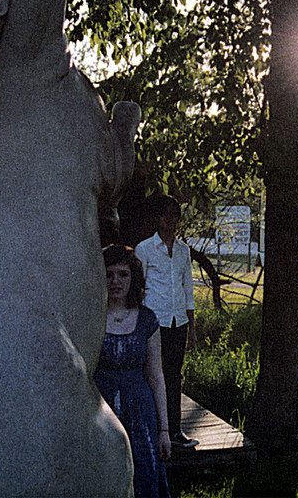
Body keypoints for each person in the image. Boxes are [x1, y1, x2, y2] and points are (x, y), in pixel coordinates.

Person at [94, 245, 171, 498]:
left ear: (133, 278)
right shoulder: (90, 318)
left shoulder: (147, 320)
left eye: (123, 274)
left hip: (140, 414)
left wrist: (164, 430)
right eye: (109, 274)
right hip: (101, 412)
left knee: (143, 475)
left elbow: (156, 377)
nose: (115, 281)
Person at [135, 196, 198, 449]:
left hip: (177, 321)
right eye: (165, 214)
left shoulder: (183, 251)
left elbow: (188, 289)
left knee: (174, 376)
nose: (170, 219)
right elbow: (139, 289)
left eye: (174, 214)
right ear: (157, 217)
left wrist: (192, 327)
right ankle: (152, 428)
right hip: (154, 322)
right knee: (153, 374)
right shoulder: (145, 249)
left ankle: (174, 430)